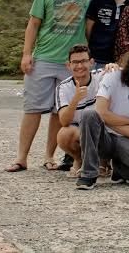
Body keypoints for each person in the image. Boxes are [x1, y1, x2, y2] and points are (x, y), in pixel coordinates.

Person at [6, 0, 95, 173]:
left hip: (71, 63)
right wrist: (27, 54)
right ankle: (21, 157)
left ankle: (49, 156)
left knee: (59, 111)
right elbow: (33, 24)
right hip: (44, 58)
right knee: (33, 109)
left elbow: (89, 28)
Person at [75, 43, 129, 190]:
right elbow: (100, 112)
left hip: (127, 140)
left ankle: (120, 168)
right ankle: (88, 175)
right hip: (103, 137)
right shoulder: (113, 75)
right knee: (89, 114)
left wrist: (109, 119)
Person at [55, 45, 103, 177]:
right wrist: (75, 100)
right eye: (75, 62)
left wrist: (113, 66)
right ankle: (79, 159)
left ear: (91, 63)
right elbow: (64, 121)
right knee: (64, 134)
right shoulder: (63, 87)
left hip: (102, 130)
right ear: (68, 65)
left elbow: (127, 73)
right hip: (79, 130)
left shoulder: (101, 76)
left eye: (83, 61)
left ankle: (104, 162)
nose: (80, 66)